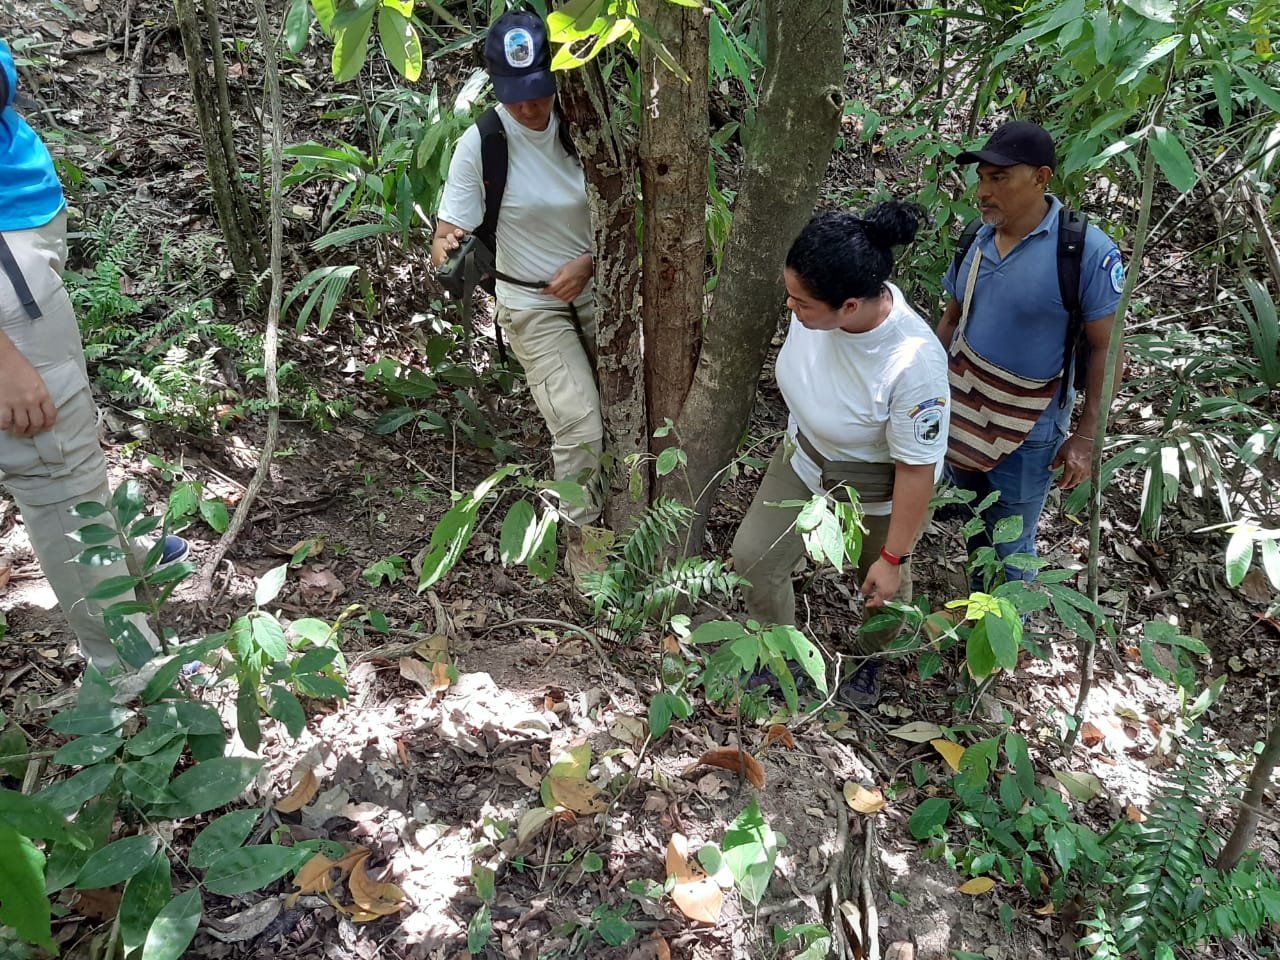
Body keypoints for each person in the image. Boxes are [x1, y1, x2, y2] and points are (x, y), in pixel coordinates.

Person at [1, 38, 186, 672]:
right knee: (53, 471)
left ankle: (130, 592)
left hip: (18, 237)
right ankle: (129, 672)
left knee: (70, 457)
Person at [731, 202, 950, 706]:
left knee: (882, 591)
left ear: (849, 306)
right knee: (754, 557)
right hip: (804, 457)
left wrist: (894, 556)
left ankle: (869, 662)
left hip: (875, 490)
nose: (791, 308)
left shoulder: (912, 365)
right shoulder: (814, 306)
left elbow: (917, 471)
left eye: (802, 303)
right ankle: (781, 652)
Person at [431, 11, 602, 575]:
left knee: (637, 410)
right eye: (516, 96)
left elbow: (633, 205)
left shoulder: (587, 123)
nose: (530, 108)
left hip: (604, 289)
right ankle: (588, 552)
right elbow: (447, 233)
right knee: (578, 424)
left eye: (538, 94)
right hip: (531, 301)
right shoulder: (482, 142)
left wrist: (592, 261)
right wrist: (446, 246)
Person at [935, 121, 1123, 588]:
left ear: (1041, 178)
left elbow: (1108, 347)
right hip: (963, 408)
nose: (983, 191)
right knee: (975, 526)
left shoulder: (1083, 251)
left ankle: (1002, 638)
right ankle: (980, 614)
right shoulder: (975, 239)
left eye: (999, 178)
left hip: (1031, 428)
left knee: (1013, 543)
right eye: (982, 178)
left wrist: (1085, 437)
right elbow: (951, 319)